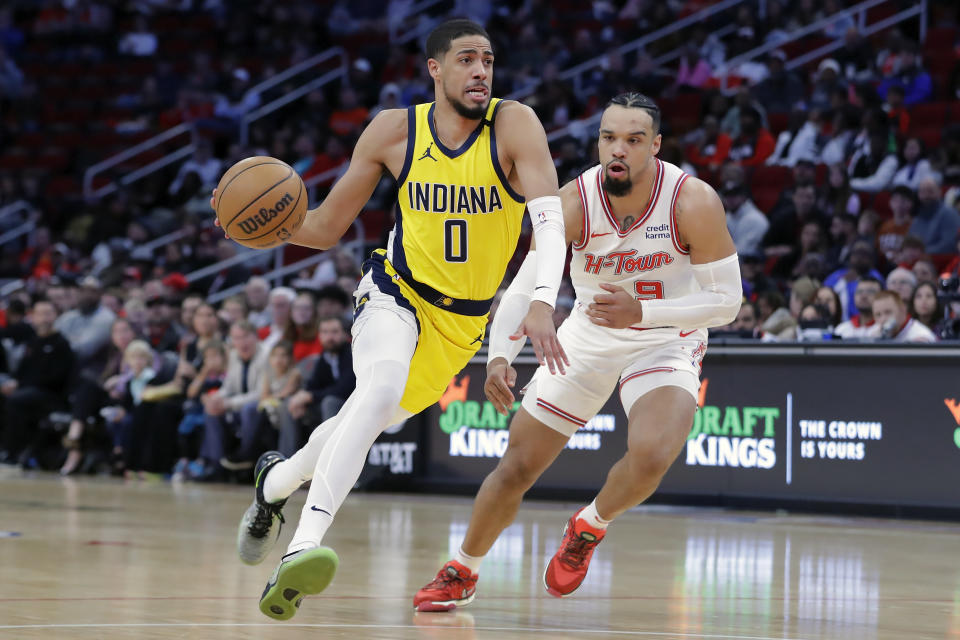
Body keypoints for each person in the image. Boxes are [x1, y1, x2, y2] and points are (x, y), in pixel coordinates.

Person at [218, 19, 568, 620]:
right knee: (376, 392)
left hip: (461, 326)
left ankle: (273, 487)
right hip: (394, 292)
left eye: (487, 59)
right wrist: (271, 225)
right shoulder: (392, 131)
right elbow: (325, 227)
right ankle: (302, 548)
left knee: (361, 421)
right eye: (465, 60)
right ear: (435, 69)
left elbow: (551, 222)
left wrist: (542, 298)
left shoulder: (514, 124)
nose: (480, 70)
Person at [413, 92, 741, 611]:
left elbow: (728, 302)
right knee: (517, 466)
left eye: (634, 140)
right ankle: (462, 570)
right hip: (588, 334)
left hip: (665, 335)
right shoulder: (573, 201)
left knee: (654, 453)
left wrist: (644, 314)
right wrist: (499, 355)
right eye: (609, 137)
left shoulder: (691, 201)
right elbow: (523, 286)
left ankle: (589, 525)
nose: (618, 149)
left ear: (655, 146)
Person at [869, 290, 936, 343]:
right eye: (878, 315)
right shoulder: (873, 333)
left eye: (888, 312)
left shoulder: (922, 335)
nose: (883, 319)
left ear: (902, 310)